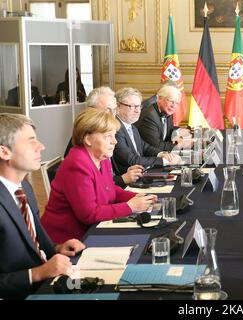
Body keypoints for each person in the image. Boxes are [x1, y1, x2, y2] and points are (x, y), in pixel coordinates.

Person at [0, 113, 85, 300]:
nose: (41, 146)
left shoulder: (25, 188)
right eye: (31, 142)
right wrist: (38, 273)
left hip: (48, 283)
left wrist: (57, 248)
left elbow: (32, 241)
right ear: (4, 152)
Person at [41, 108, 157, 243]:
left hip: (94, 230)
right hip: (68, 241)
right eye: (108, 136)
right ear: (87, 139)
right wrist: (130, 206)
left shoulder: (103, 158)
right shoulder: (77, 164)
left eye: (114, 136)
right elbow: (89, 214)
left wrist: (137, 197)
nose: (115, 141)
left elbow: (110, 189)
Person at [63, 86, 143, 189]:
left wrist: (127, 172)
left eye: (114, 110)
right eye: (107, 110)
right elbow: (97, 187)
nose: (111, 115)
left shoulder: (105, 135)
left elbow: (108, 176)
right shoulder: (86, 142)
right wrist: (123, 179)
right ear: (90, 110)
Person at [113, 87, 182, 175]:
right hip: (127, 179)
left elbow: (145, 147)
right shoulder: (115, 128)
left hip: (141, 172)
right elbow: (131, 159)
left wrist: (161, 154)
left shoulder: (131, 126)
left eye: (139, 106)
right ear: (118, 106)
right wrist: (164, 161)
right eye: (132, 106)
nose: (138, 111)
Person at [135, 84, 192, 153]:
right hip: (148, 157)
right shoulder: (149, 116)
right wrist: (180, 145)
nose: (173, 106)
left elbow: (168, 130)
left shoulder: (167, 111)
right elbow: (157, 146)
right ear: (159, 99)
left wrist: (179, 132)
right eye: (170, 101)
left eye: (176, 103)